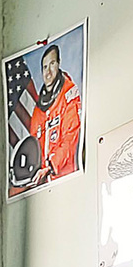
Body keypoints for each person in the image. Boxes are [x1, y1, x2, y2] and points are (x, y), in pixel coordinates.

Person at [23, 43, 81, 186]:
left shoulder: (69, 94)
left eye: (52, 64)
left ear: (59, 64)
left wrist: (50, 166)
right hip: (43, 184)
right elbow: (34, 147)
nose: (48, 72)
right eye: (44, 67)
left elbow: (70, 138)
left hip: (65, 180)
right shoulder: (38, 109)